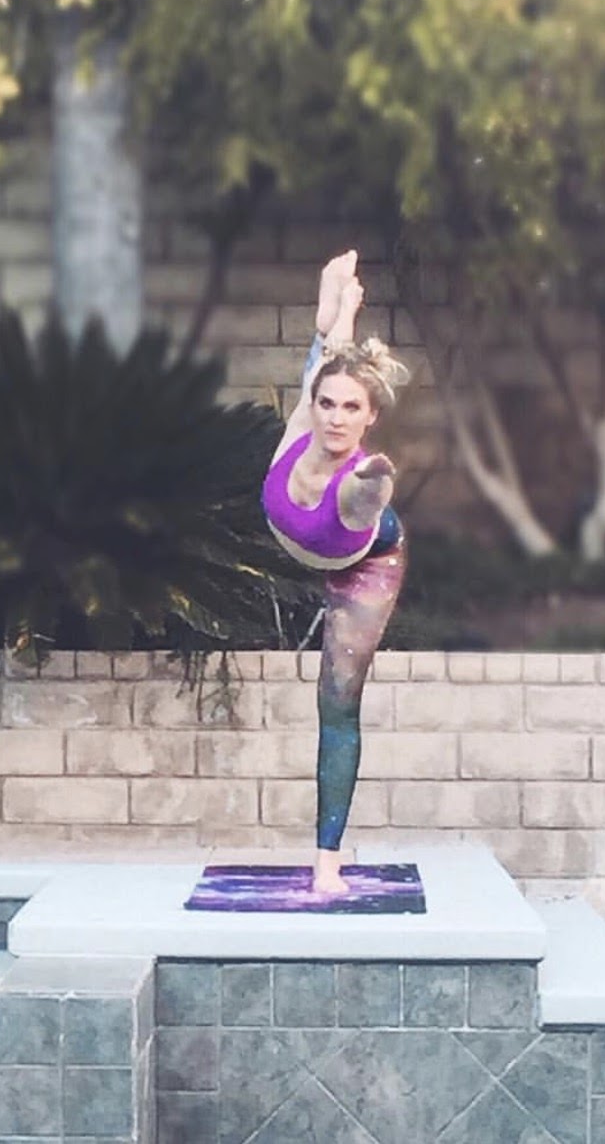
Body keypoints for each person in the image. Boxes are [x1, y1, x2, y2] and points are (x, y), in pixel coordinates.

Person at [261, 250, 410, 894]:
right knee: (328, 356)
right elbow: (327, 381)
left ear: (371, 417)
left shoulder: (356, 463)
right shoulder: (305, 422)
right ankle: (335, 316)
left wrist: (369, 486)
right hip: (299, 533)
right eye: (329, 404)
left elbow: (348, 401)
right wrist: (342, 315)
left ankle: (327, 858)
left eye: (353, 409)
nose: (336, 417)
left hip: (365, 557)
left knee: (337, 703)